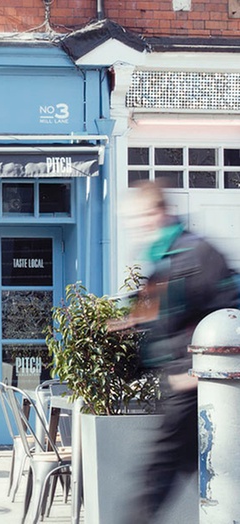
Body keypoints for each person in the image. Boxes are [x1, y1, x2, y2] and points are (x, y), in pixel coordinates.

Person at [126, 180, 238, 523]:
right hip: (177, 387)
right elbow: (164, 322)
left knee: (155, 478)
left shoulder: (197, 254)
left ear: (162, 211)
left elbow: (231, 311)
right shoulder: (163, 262)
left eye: (143, 215)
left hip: (194, 390)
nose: (138, 224)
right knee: (204, 474)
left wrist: (196, 373)